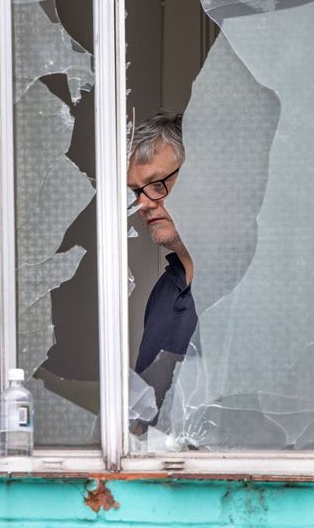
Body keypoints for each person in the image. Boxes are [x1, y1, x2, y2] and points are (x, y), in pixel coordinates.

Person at [127, 112, 196, 416]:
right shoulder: (163, 291)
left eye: (156, 184)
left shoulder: (249, 282)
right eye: (135, 192)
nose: (143, 204)